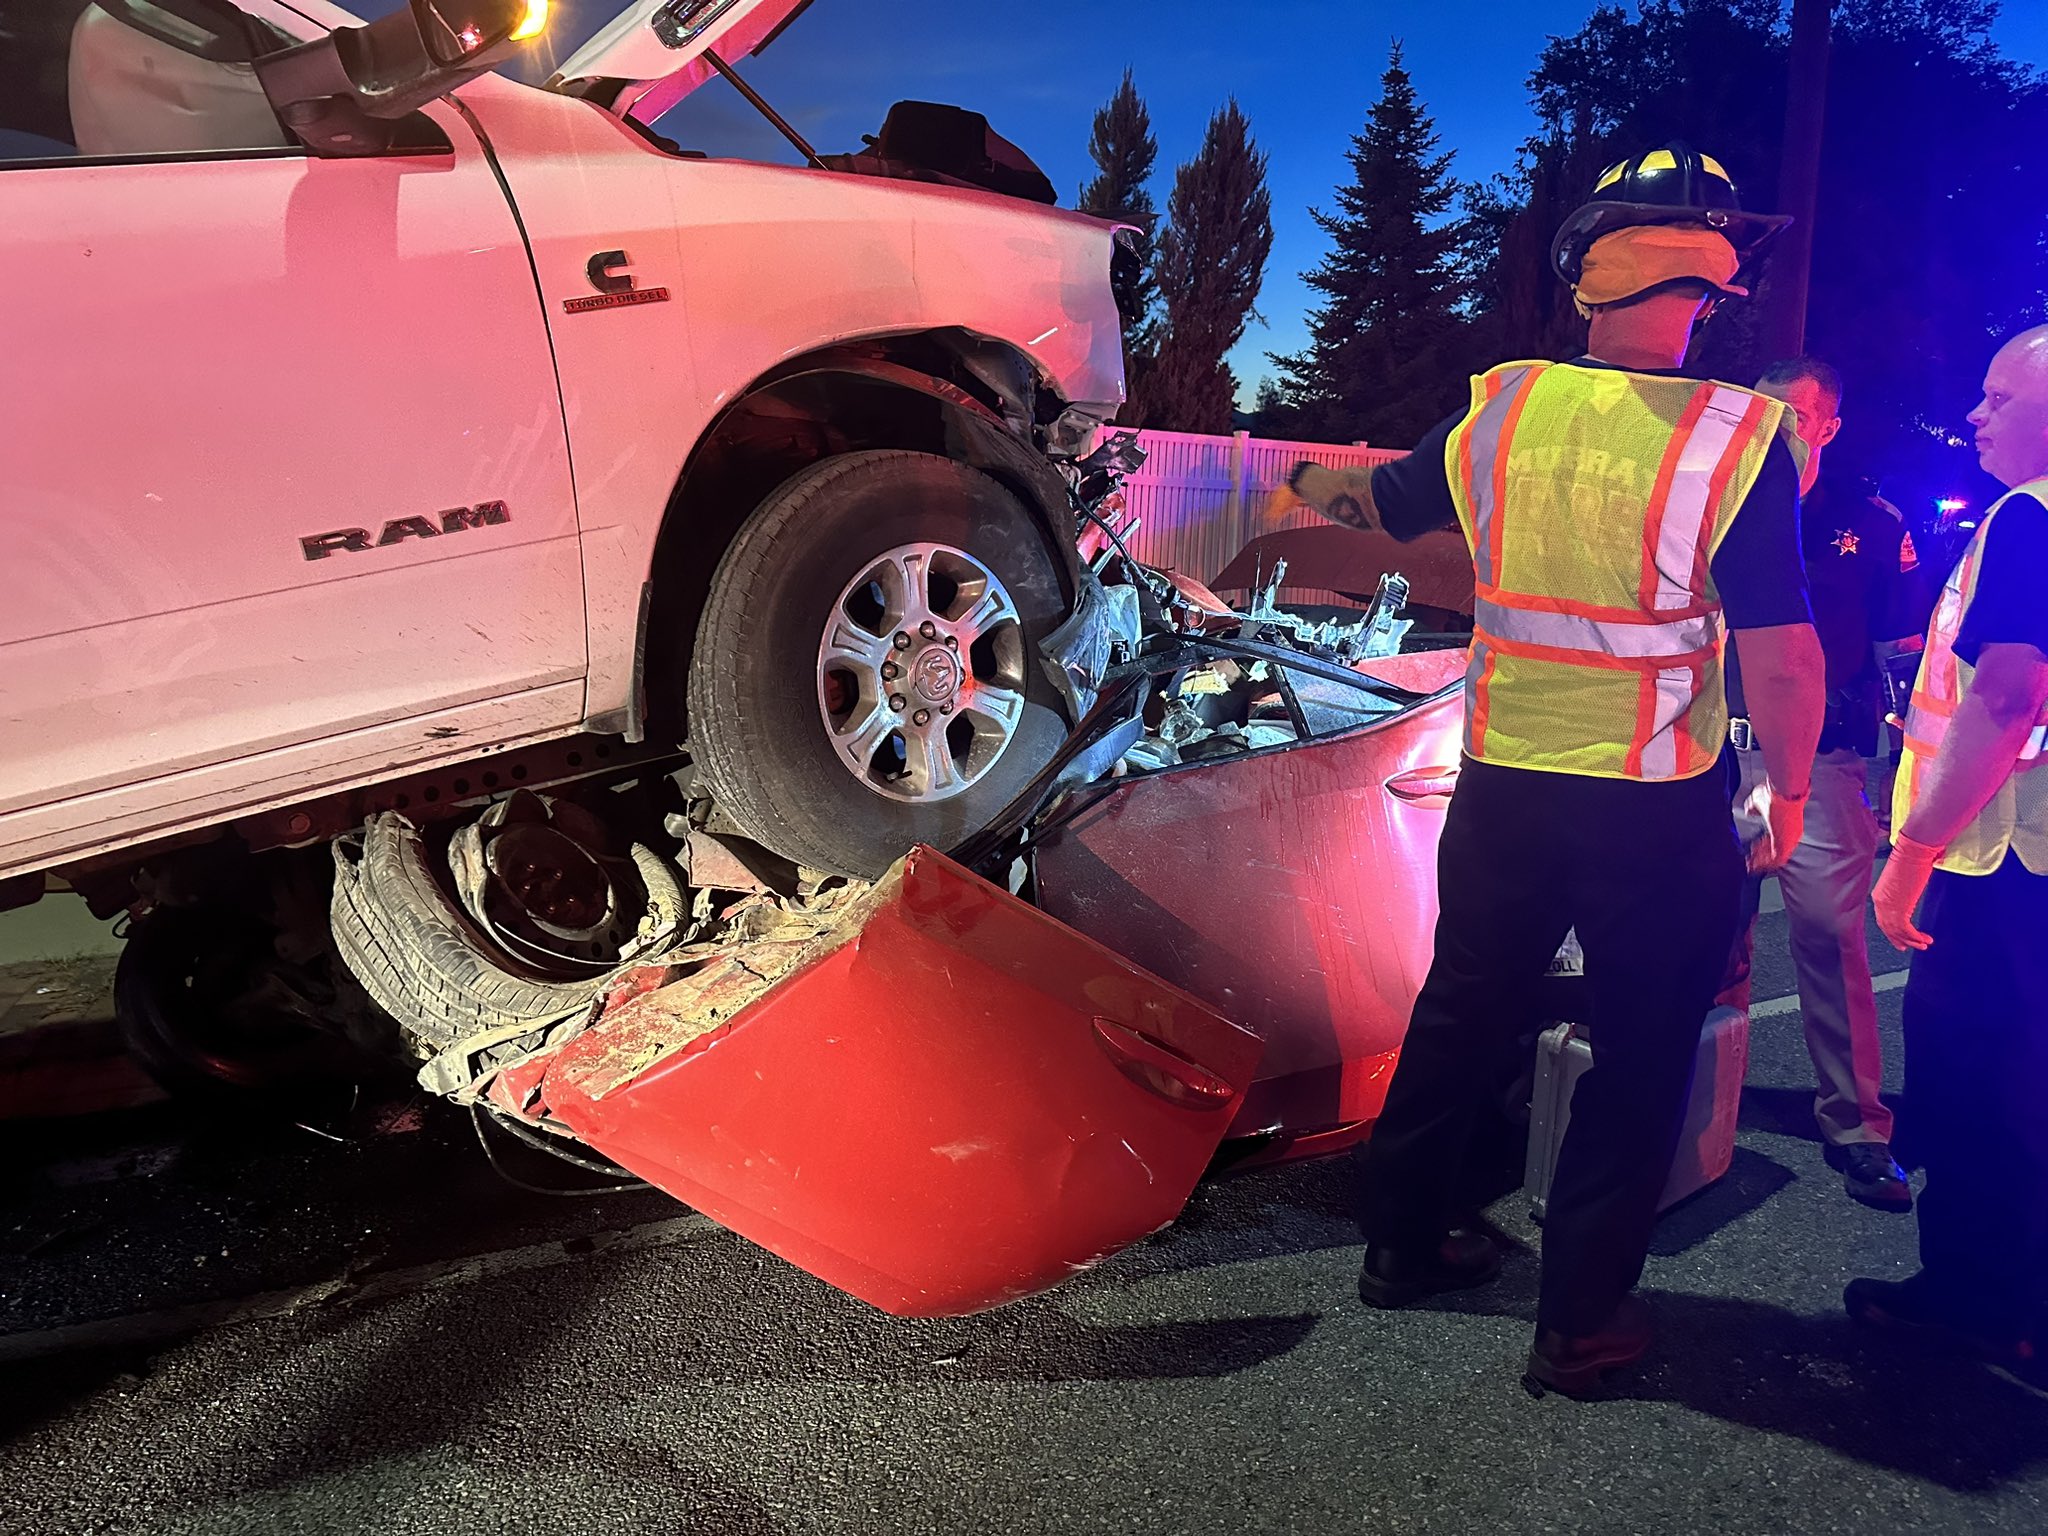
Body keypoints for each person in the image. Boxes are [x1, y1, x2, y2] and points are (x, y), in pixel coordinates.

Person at [1279, 143, 1826, 1397]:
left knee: (1463, 1003)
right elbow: (1784, 654)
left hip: (1506, 779)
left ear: (1587, 285)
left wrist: (1305, 474)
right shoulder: (1740, 436)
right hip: (1652, 802)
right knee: (1637, 1050)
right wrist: (1785, 789)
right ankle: (1577, 1323)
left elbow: (1382, 507)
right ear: (1703, 296)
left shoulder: (1503, 405)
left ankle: (1401, 1245)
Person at [1850, 324, 2048, 1378]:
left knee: (1981, 1091)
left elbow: (2009, 694)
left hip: (1999, 862)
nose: (1972, 414)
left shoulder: (2029, 515)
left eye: (1994, 398)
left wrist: (1909, 851)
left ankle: (1977, 1306)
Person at [1723, 357, 1928, 1210]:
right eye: (1763, 413)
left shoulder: (1869, 525)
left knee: (1828, 942)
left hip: (1817, 762)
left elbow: (1900, 658)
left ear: (1827, 427)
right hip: (1699, 755)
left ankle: (1856, 1125)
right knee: (1690, 935)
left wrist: (1893, 776)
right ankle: (1688, 1102)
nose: (1775, 431)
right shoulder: (1710, 504)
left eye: (1795, 418)